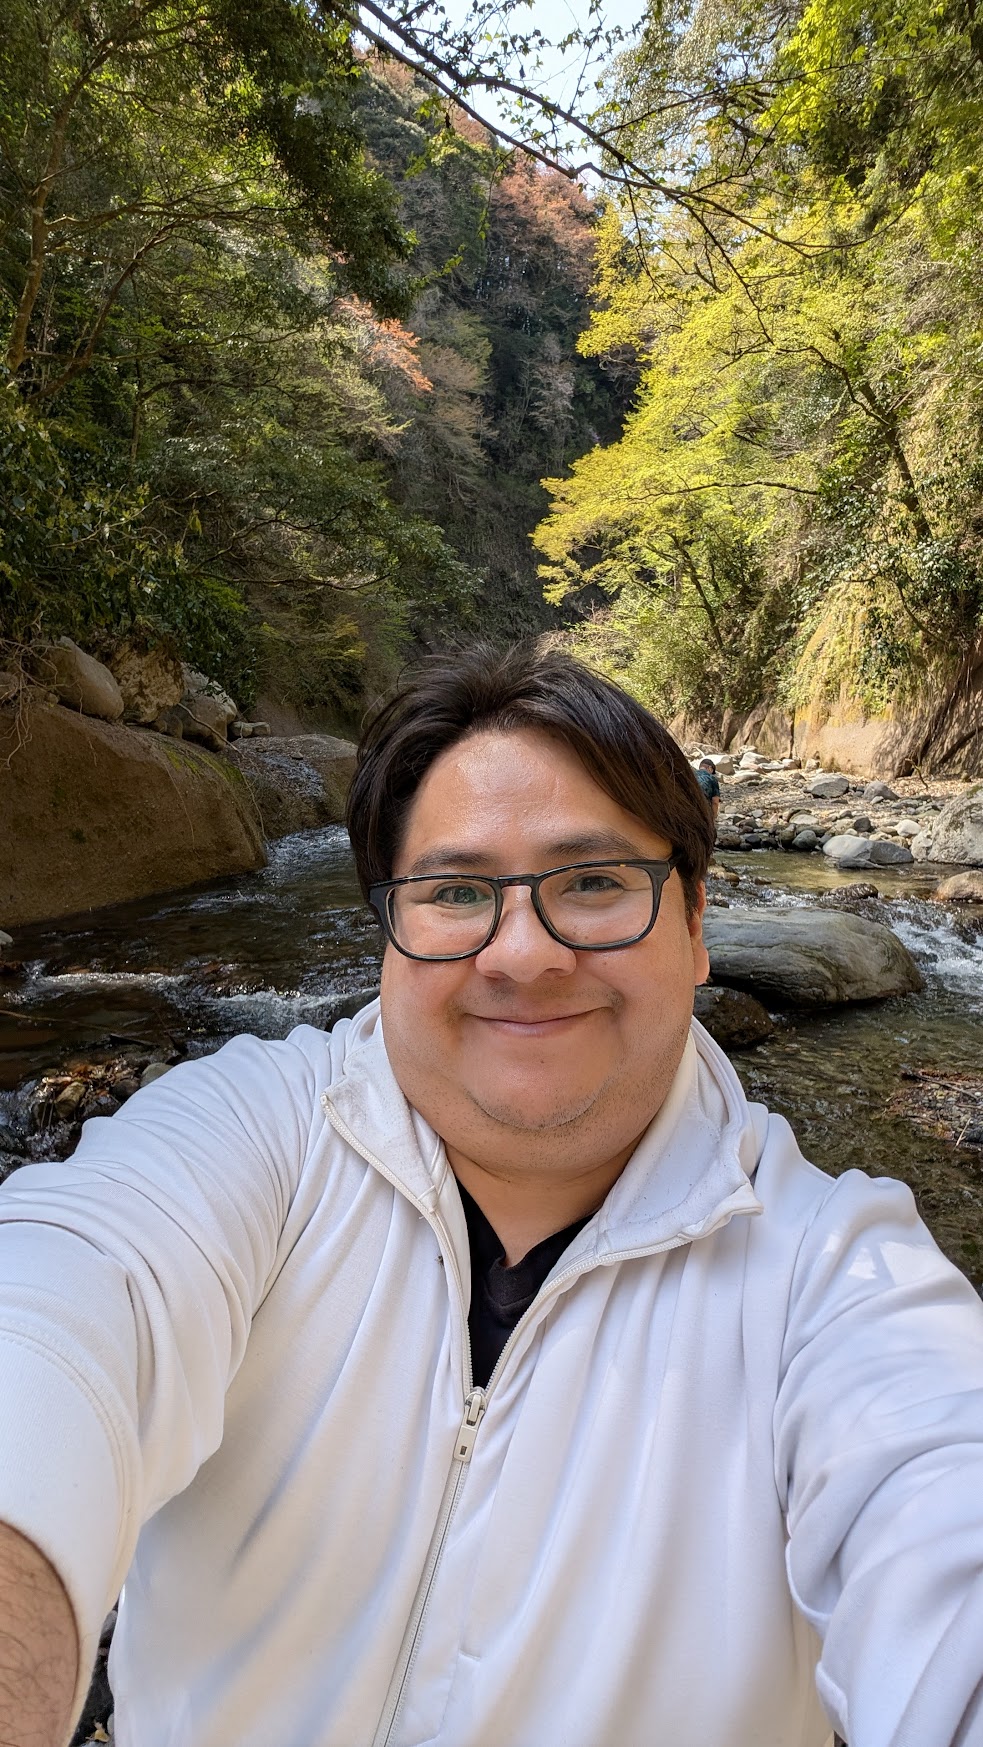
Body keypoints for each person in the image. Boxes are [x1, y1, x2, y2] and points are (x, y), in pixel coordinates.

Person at [2, 642, 983, 1747]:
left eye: (593, 882)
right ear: (388, 932)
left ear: (695, 925)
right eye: (457, 892)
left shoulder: (833, 1274)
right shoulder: (250, 1137)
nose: (522, 954)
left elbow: (940, 1500)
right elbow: (55, 1312)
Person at [696, 755, 721, 825]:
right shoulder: (712, 778)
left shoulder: (691, 774)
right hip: (704, 809)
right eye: (712, 771)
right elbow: (715, 801)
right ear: (710, 768)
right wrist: (713, 818)